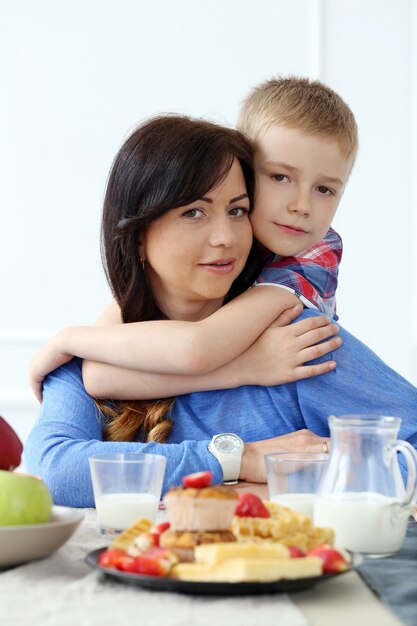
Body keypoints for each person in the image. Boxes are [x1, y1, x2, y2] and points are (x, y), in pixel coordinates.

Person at [25, 114, 341, 507]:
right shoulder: (90, 356)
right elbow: (53, 473)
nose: (226, 237)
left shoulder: (296, 342)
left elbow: (400, 447)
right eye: (194, 212)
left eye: (238, 211)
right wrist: (239, 459)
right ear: (137, 238)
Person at [29, 77, 354, 399]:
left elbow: (198, 348)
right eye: (281, 177)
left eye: (325, 189)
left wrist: (67, 340)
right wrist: (245, 368)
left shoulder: (314, 257)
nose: (301, 207)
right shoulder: (236, 242)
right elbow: (100, 377)